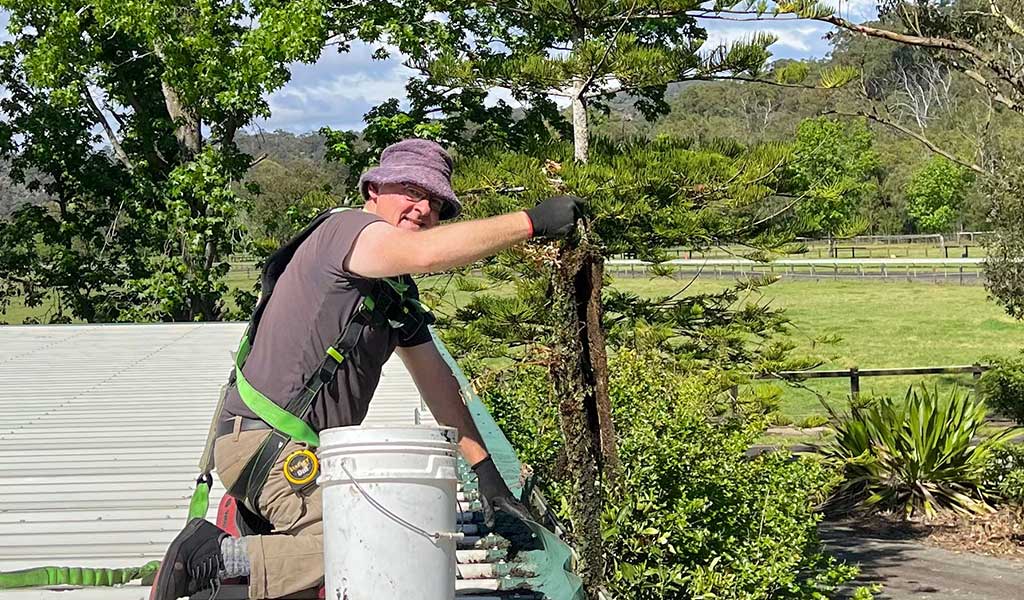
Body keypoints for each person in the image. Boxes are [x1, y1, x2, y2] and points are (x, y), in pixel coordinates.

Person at [152, 138, 583, 600]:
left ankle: (265, 550)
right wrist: (531, 223)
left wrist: (486, 473)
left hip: (289, 451)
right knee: (377, 543)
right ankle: (214, 557)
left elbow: (437, 382)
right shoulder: (351, 233)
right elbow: (427, 253)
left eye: (436, 202)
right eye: (411, 192)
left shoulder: (392, 289)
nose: (423, 208)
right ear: (373, 189)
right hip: (268, 446)